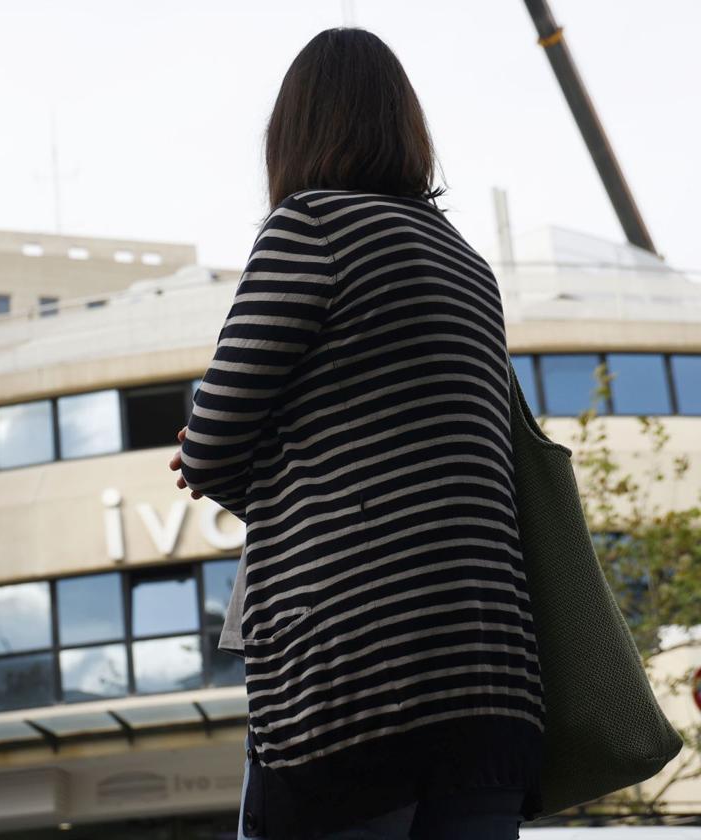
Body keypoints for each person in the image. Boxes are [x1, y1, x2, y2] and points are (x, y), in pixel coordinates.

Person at [168, 26, 546, 840]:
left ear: (294, 131)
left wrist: (209, 443)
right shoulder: (466, 263)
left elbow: (212, 442)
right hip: (493, 687)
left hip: (356, 683)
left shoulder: (311, 227)